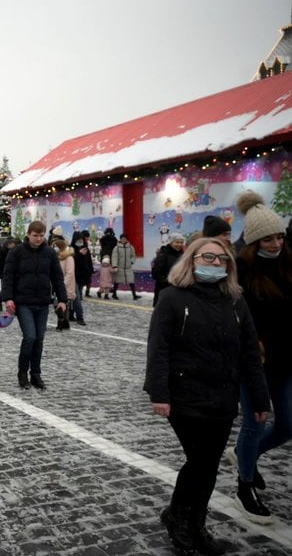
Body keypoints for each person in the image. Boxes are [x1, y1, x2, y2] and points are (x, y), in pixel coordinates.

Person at [145, 237, 271, 554]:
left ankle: (194, 523)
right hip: (184, 396)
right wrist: (159, 392)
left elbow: (249, 355)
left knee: (208, 464)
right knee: (201, 461)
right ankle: (179, 518)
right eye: (208, 258)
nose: (216, 264)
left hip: (223, 397)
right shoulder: (172, 298)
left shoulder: (235, 300)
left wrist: (259, 399)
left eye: (222, 260)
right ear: (192, 260)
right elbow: (158, 349)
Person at [229, 191, 291, 525]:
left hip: (286, 360)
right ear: (254, 241)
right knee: (255, 423)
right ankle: (245, 485)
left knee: (287, 426)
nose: (275, 243)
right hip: (254, 362)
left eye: (279, 236)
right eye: (267, 238)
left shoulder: (289, 263)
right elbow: (235, 316)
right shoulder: (242, 270)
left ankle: (243, 456)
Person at [0, 221, 67, 390]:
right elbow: (8, 276)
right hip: (23, 302)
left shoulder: (50, 253)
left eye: (41, 235)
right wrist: (8, 298)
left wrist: (62, 299)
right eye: (35, 235)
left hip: (42, 302)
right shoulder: (17, 253)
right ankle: (22, 372)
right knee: (30, 337)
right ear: (28, 234)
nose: (38, 239)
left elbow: (57, 278)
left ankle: (35, 374)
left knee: (39, 339)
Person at [151, 233, 185, 307]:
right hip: (164, 290)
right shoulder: (163, 254)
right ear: (171, 242)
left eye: (181, 242)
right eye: (177, 242)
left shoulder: (183, 255)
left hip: (179, 289)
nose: (179, 244)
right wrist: (168, 282)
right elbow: (155, 273)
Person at [53, 239, 75, 330]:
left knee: (63, 303)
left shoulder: (68, 258)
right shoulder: (55, 257)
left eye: (55, 246)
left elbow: (69, 273)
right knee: (56, 303)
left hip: (66, 285)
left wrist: (62, 284)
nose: (53, 248)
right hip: (56, 285)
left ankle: (61, 322)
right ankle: (64, 321)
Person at [111, 233, 140, 300]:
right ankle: (114, 294)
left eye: (124, 238)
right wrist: (115, 266)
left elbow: (133, 256)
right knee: (117, 281)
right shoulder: (116, 248)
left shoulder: (130, 247)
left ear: (127, 239)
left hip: (128, 268)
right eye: (122, 238)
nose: (123, 240)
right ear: (120, 239)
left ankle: (134, 295)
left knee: (131, 281)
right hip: (119, 267)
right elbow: (114, 257)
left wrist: (131, 261)